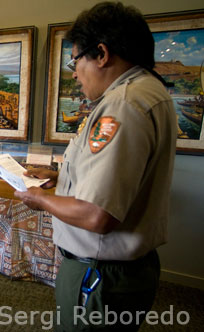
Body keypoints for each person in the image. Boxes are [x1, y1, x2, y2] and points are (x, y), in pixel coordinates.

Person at [15, 2, 177, 331]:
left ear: (101, 54)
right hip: (118, 270)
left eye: (75, 60)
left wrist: (39, 199)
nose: (74, 73)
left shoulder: (123, 105)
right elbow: (118, 180)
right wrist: (59, 178)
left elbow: (96, 215)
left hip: (99, 273)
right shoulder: (149, 92)